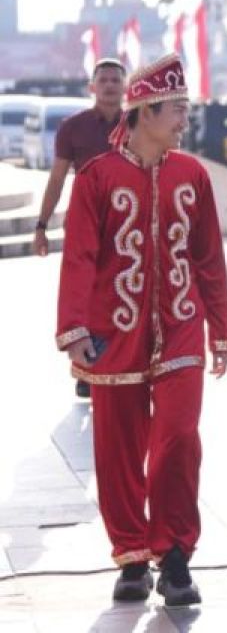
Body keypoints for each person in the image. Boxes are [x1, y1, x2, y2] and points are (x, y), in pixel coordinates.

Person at [55, 54, 227, 606]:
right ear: (145, 110)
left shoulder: (192, 174)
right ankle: (132, 554)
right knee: (117, 447)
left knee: (179, 437)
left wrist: (220, 327)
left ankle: (174, 553)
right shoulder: (96, 177)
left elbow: (208, 258)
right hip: (113, 329)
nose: (184, 120)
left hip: (181, 326)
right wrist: (74, 326)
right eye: (177, 109)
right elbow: (79, 256)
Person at [37, 57, 126, 399]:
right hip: (84, 225)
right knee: (83, 294)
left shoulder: (137, 125)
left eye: (115, 80)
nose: (108, 85)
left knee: (122, 290)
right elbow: (57, 179)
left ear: (124, 87)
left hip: (126, 223)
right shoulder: (72, 127)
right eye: (102, 79)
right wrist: (41, 226)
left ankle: (122, 360)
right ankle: (85, 369)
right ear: (92, 87)